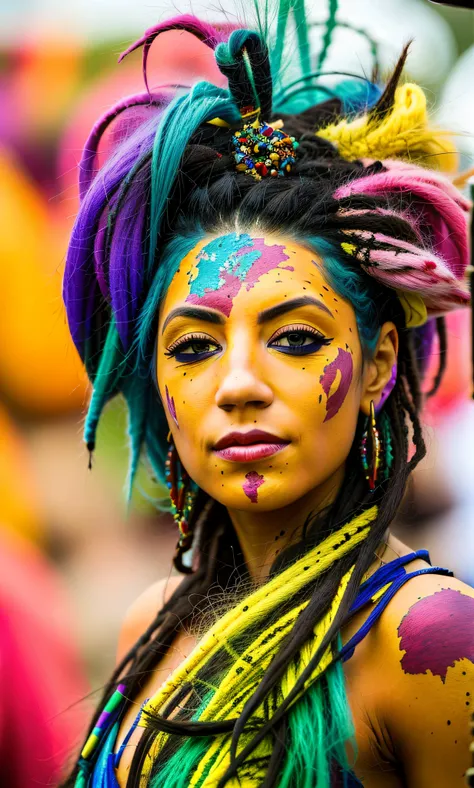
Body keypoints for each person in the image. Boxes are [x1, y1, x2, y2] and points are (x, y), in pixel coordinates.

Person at [60, 1, 474, 785]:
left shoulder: (432, 641)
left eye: (295, 339)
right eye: (193, 347)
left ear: (379, 365)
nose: (240, 384)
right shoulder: (148, 628)